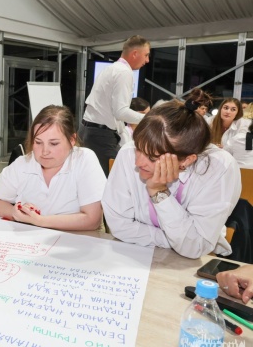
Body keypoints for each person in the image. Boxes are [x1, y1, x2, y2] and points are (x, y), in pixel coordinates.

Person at [102, 100, 241, 259]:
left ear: (187, 160)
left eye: (152, 158)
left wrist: (159, 191)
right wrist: (176, 241)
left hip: (193, 263)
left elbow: (195, 246)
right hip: (135, 254)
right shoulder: (127, 152)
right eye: (138, 149)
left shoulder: (219, 168)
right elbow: (118, 225)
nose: (138, 162)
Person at [0, 105, 106, 231]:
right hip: (32, 238)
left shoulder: (84, 159)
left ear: (71, 140)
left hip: (79, 238)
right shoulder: (23, 164)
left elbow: (93, 220)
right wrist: (14, 213)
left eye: (54, 143)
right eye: (38, 142)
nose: (45, 151)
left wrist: (39, 221)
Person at [79, 35, 150, 176]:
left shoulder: (111, 68)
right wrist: (150, 118)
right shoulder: (124, 72)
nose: (147, 60)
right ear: (135, 54)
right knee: (112, 179)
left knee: (92, 177)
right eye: (146, 55)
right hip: (100, 136)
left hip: (88, 130)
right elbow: (121, 112)